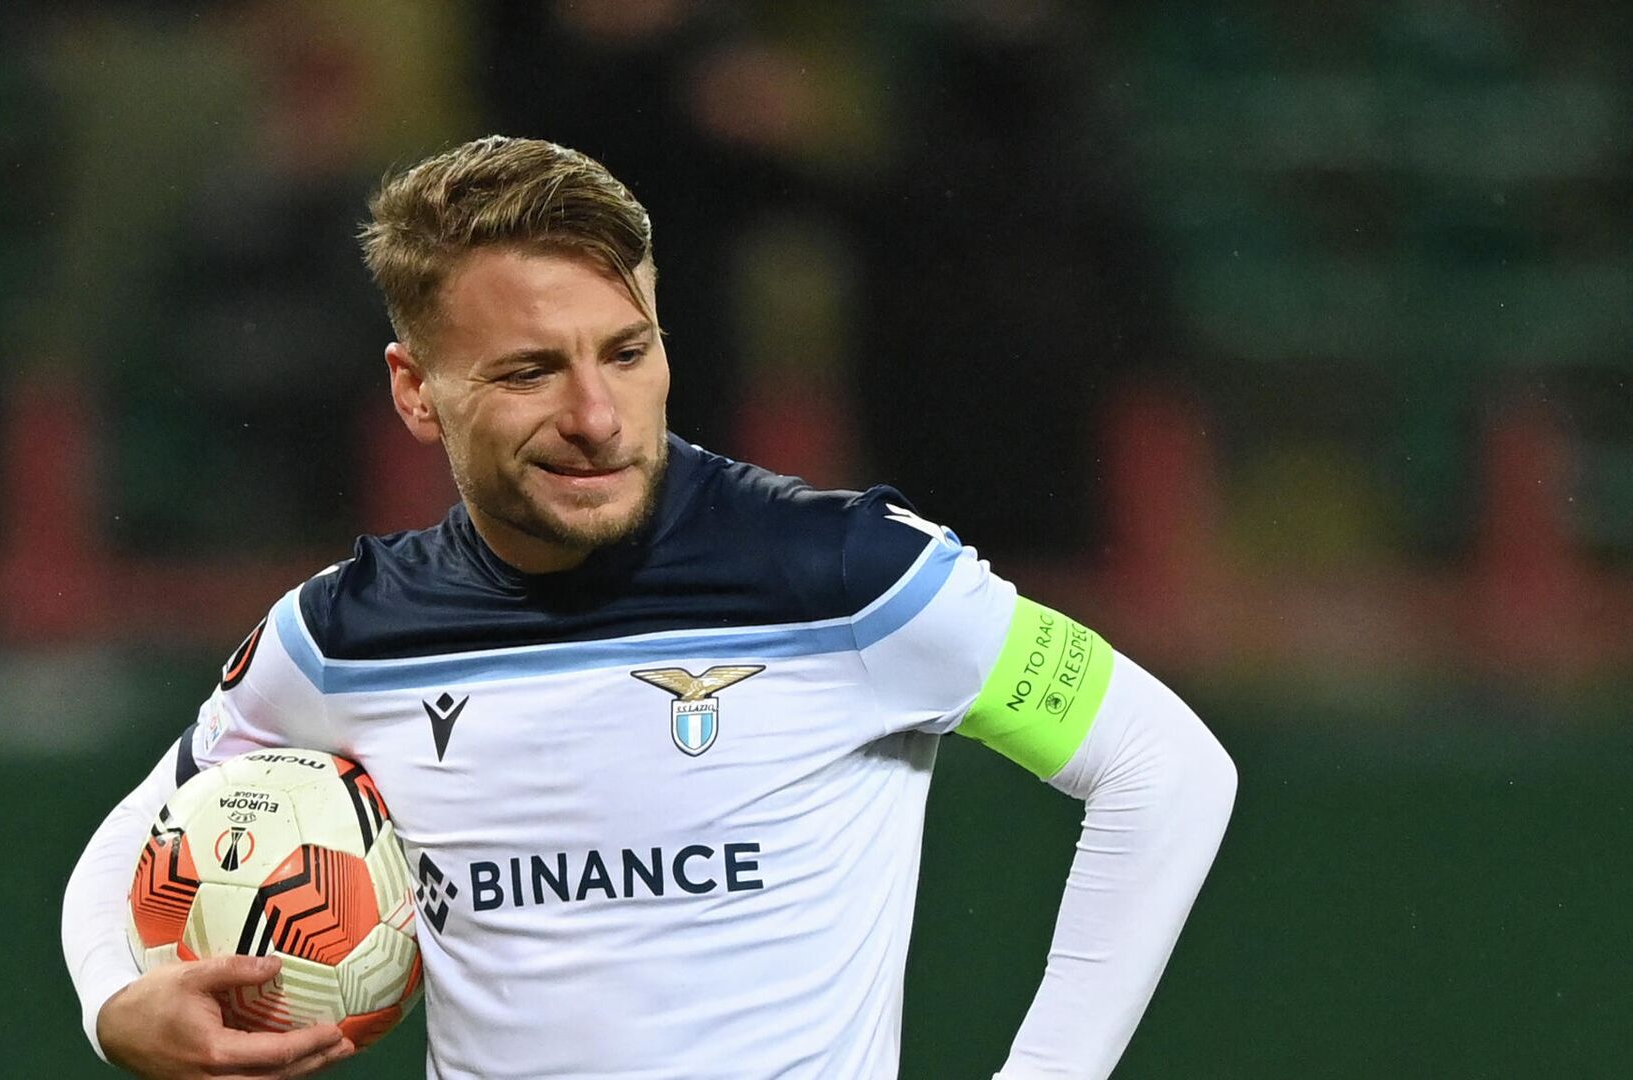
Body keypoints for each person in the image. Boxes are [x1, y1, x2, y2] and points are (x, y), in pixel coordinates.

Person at [61, 135, 1237, 1080]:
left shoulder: (848, 577)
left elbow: (1163, 768)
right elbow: (147, 830)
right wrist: (117, 1005)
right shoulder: (342, 638)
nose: (597, 415)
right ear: (416, 392)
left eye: (626, 352)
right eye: (530, 371)